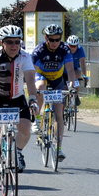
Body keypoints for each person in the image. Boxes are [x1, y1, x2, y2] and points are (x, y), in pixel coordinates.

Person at [0, 25, 39, 174]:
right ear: (2, 43)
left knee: (26, 127)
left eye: (17, 42)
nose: (14, 45)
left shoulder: (25, 56)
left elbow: (31, 80)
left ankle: (18, 152)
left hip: (16, 97)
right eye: (10, 42)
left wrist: (33, 100)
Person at [31, 24, 78, 161]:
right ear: (46, 38)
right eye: (51, 40)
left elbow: (70, 70)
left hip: (57, 79)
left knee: (59, 116)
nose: (54, 43)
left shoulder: (64, 49)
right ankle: (38, 119)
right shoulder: (39, 50)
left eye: (57, 40)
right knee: (40, 87)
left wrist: (72, 85)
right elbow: (31, 70)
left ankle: (58, 149)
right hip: (42, 76)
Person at [65, 34, 85, 105]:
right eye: (71, 46)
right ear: (67, 45)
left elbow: (82, 62)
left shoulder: (80, 50)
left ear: (77, 45)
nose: (72, 48)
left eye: (74, 46)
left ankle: (76, 95)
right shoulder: (64, 49)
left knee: (76, 76)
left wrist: (84, 75)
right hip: (63, 70)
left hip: (75, 69)